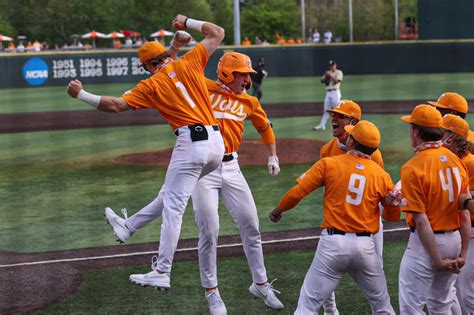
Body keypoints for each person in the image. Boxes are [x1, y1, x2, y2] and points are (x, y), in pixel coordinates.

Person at [104, 34, 283, 314]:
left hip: (232, 167)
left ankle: (260, 283)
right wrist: (175, 44)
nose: (247, 81)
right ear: (226, 73)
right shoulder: (202, 85)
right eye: (242, 75)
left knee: (251, 225)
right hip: (204, 164)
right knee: (208, 230)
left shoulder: (248, 102)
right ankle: (212, 293)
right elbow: (171, 70)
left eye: (248, 76)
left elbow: (265, 126)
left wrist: (272, 154)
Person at [66, 14, 226, 293]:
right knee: (169, 194)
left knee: (174, 208)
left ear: (148, 66)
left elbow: (115, 105)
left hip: (190, 143)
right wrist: (186, 22)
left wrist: (81, 94)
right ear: (167, 55)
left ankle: (162, 270)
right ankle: (128, 227)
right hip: (216, 145)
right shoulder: (190, 61)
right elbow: (217, 32)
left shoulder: (150, 86)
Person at [268, 120, 400, 314]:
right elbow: (392, 217)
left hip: (333, 245)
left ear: (353, 143)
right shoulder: (382, 175)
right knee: (382, 307)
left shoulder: (329, 163)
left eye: (350, 135)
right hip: (365, 248)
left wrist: (278, 211)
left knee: (307, 307)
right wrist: (390, 201)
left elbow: (297, 193)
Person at [398, 104, 470, 314]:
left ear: (416, 132)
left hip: (426, 245)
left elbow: (421, 220)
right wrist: (463, 253)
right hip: (455, 240)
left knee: (411, 308)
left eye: (411, 127)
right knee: (441, 304)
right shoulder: (456, 162)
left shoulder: (412, 167)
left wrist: (437, 259)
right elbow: (464, 212)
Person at [317, 99, 385, 315]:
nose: (334, 118)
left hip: (368, 221)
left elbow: (379, 189)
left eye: (340, 115)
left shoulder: (373, 154)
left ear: (353, 122)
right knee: (324, 270)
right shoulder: (327, 150)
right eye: (333, 114)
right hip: (337, 219)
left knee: (377, 267)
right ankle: (330, 310)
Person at [441, 114, 474, 314]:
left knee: (466, 292)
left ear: (451, 137)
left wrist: (466, 200)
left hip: (471, 231)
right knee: (452, 291)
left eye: (442, 131)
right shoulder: (455, 159)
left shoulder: (469, 162)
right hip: (463, 230)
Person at [313, 60, 343, 131]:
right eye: (330, 66)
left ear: (335, 65)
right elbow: (321, 80)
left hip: (335, 93)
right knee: (326, 110)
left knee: (337, 111)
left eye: (332, 65)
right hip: (328, 93)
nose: (331, 67)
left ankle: (341, 126)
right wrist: (326, 76)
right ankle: (322, 125)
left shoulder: (339, 72)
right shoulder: (328, 72)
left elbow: (337, 81)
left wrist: (330, 75)